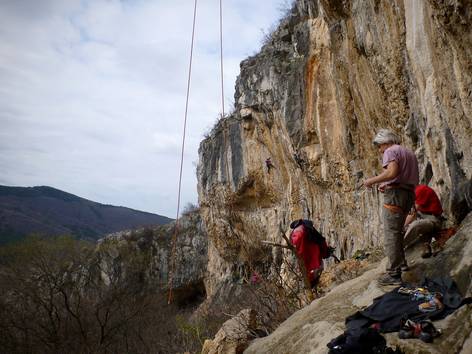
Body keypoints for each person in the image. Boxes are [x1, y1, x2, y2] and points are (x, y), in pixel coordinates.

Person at [363, 129, 419, 285]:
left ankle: (393, 274)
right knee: (398, 231)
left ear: (386, 142)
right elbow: (404, 177)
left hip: (395, 196)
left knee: (391, 235)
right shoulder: (408, 153)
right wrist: (385, 183)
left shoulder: (390, 151)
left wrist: (371, 181)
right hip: (408, 194)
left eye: (379, 146)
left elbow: (392, 172)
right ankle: (402, 264)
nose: (380, 151)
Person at [289, 219, 331, 289]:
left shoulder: (298, 231)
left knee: (310, 271)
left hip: (307, 258)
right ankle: (313, 286)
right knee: (313, 270)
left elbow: (296, 241)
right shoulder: (310, 231)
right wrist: (326, 252)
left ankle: (311, 286)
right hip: (313, 258)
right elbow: (321, 241)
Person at [404, 184, 443, 258]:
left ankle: (398, 246)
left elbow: (413, 215)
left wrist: (402, 226)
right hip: (425, 218)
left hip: (434, 220)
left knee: (415, 225)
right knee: (406, 227)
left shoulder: (420, 189)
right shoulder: (413, 193)